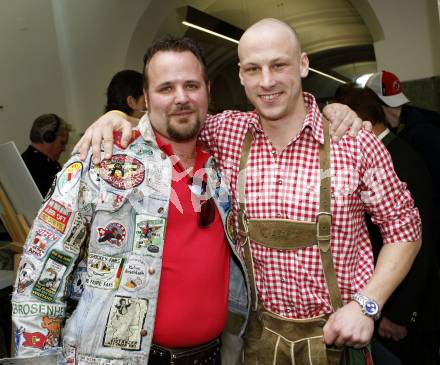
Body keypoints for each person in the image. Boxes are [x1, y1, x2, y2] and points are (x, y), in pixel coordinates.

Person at [75, 19, 421, 365]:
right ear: (241, 75)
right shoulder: (226, 133)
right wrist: (118, 117)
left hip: (339, 340)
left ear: (303, 64)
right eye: (253, 69)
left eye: (279, 65)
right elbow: (175, 116)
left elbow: (405, 230)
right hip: (259, 344)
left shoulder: (355, 142)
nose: (267, 81)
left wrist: (367, 306)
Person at [10, 37, 246, 365]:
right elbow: (39, 274)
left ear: (207, 90)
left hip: (214, 356)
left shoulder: (225, 165)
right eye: (166, 88)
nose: (181, 98)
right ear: (146, 98)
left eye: (191, 85)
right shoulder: (102, 159)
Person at [334, 85, 440, 365]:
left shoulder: (395, 157)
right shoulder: (397, 148)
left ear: (354, 116)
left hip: (404, 308)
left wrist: (399, 314)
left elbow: (419, 238)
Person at [366, 70, 440, 246]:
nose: (394, 111)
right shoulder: (416, 122)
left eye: (396, 105)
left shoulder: (421, 132)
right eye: (391, 105)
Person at [21, 113, 71, 196]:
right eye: (62, 143)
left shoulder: (24, 160)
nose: (63, 149)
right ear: (49, 137)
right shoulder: (43, 169)